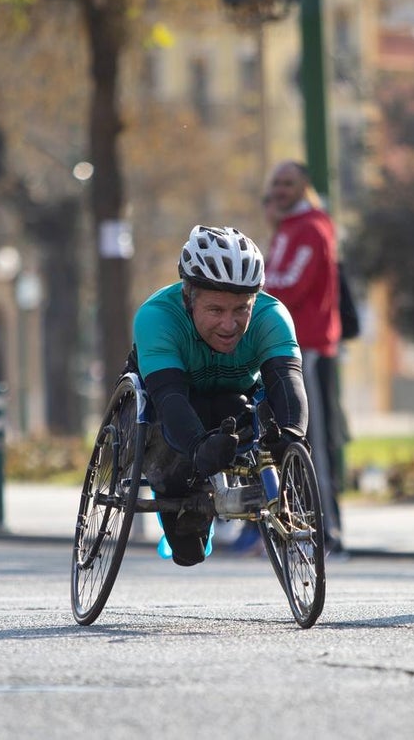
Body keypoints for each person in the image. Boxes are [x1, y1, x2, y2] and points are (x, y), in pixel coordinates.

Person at [129, 224, 308, 567]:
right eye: (215, 310)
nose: (229, 325)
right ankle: (182, 490)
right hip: (171, 413)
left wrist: (291, 437)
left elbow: (288, 382)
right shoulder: (157, 317)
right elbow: (169, 399)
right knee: (188, 552)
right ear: (188, 296)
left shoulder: (272, 317)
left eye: (241, 309)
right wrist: (198, 447)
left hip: (232, 403)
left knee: (283, 429)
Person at [262, 161, 346, 554]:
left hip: (307, 346)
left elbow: (291, 284)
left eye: (288, 183)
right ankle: (300, 525)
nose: (280, 189)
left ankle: (329, 533)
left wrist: (253, 288)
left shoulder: (312, 228)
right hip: (284, 342)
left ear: (303, 186)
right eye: (276, 182)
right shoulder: (287, 228)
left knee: (313, 441)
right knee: (291, 437)